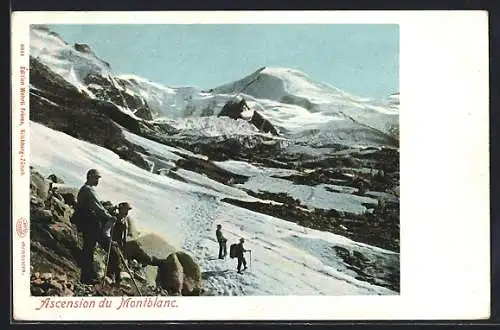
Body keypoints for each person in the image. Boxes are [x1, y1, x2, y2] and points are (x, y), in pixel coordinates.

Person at [75, 169, 119, 285]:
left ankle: (87, 276)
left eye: (98, 178)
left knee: (88, 249)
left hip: (86, 223)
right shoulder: (88, 190)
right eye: (96, 178)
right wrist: (110, 217)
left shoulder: (86, 189)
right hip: (88, 224)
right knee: (89, 249)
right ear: (89, 177)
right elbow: (97, 208)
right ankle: (87, 277)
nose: (97, 181)